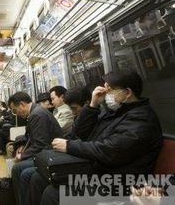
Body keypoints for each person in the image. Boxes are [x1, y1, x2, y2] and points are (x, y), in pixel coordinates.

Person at [31, 70, 163, 205]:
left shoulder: (141, 119)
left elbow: (110, 150)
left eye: (110, 90)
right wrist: (93, 105)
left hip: (120, 182)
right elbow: (79, 133)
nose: (106, 95)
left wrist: (69, 146)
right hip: (98, 171)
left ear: (127, 93)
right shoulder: (115, 112)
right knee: (39, 177)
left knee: (53, 194)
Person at [8, 92, 62, 205]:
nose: (16, 113)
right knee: (18, 167)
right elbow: (32, 138)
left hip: (51, 154)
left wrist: (22, 156)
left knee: (18, 169)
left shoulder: (36, 115)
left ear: (22, 104)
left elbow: (40, 144)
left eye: (15, 110)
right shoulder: (35, 112)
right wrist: (23, 146)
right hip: (46, 151)